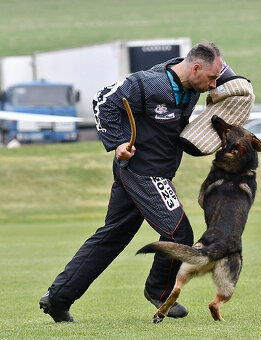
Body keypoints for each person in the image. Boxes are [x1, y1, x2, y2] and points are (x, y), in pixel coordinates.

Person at [39, 42, 224, 322]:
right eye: (211, 78)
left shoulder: (191, 86)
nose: (213, 85)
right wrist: (117, 143)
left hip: (156, 172)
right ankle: (158, 292)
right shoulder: (147, 83)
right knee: (179, 235)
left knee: (112, 236)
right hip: (141, 172)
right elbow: (103, 100)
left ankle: (58, 298)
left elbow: (225, 76)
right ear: (195, 67)